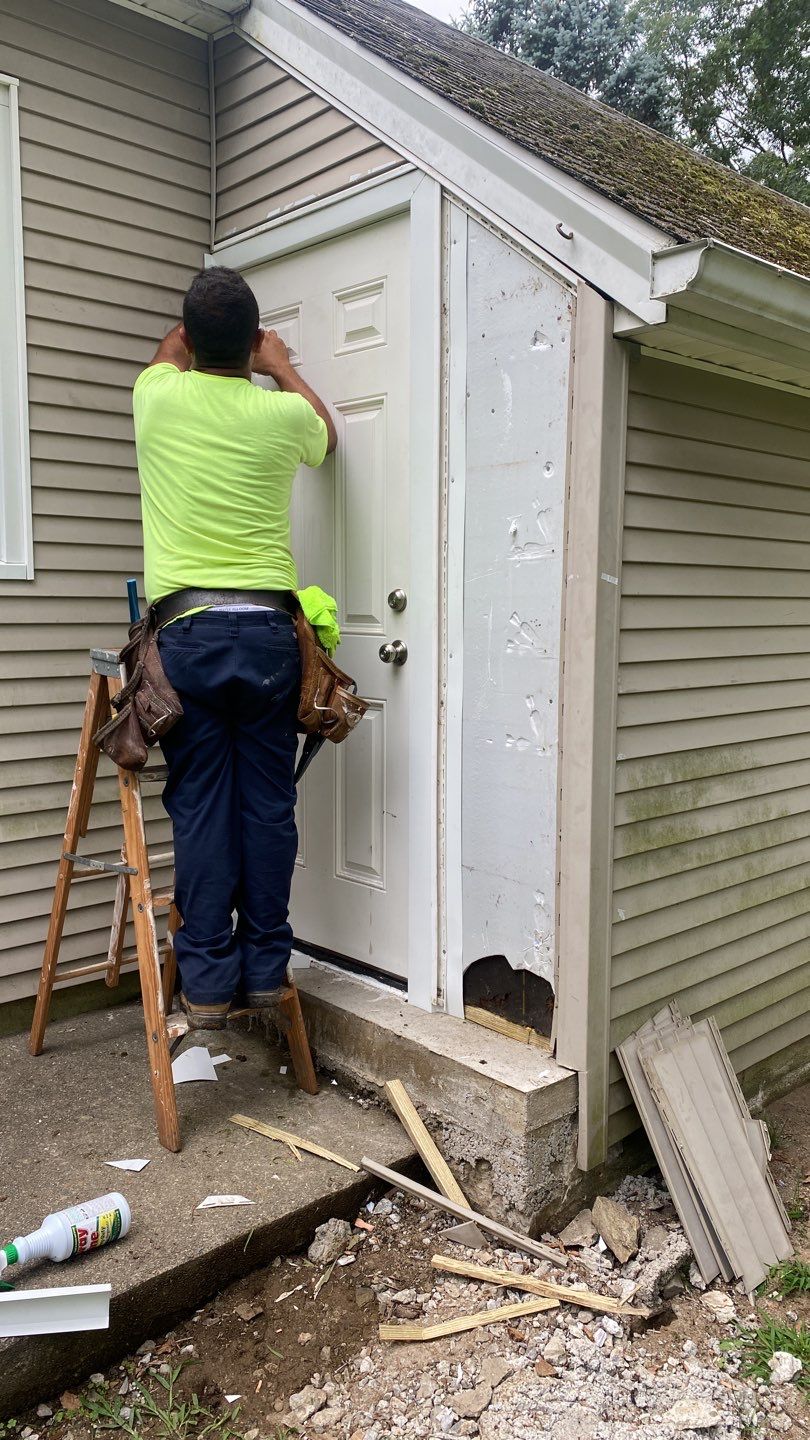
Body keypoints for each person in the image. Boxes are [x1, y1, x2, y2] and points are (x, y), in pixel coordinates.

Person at [132, 266, 337, 1030]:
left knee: (200, 807)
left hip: (186, 635)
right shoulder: (278, 413)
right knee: (267, 804)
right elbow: (327, 436)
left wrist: (206, 343)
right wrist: (279, 364)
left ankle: (210, 986)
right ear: (252, 342)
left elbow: (169, 351)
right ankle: (264, 970)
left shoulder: (155, 398)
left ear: (186, 340)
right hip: (267, 636)